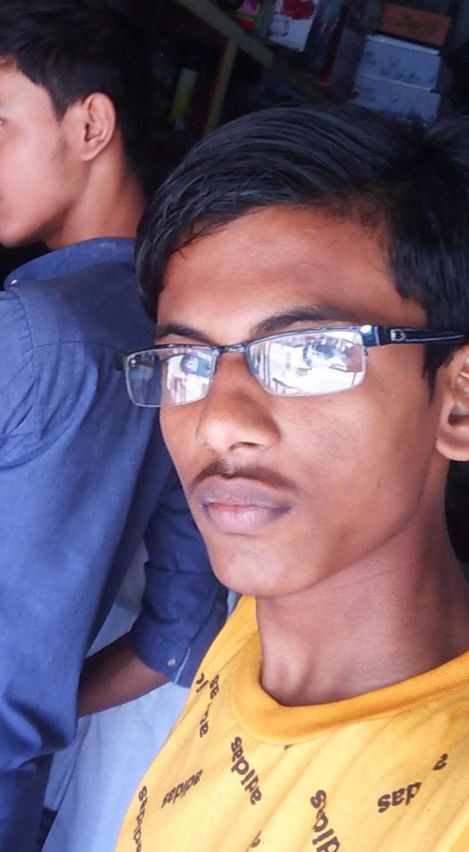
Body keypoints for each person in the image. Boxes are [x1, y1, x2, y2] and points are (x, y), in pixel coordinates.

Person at [116, 102, 469, 850]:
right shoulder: (254, 635)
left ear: (463, 401)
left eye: (310, 353)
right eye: (185, 362)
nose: (217, 422)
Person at [0, 3, 228, 850]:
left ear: (91, 124)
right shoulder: (182, 343)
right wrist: (37, 706)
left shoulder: (28, 329)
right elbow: (178, 632)